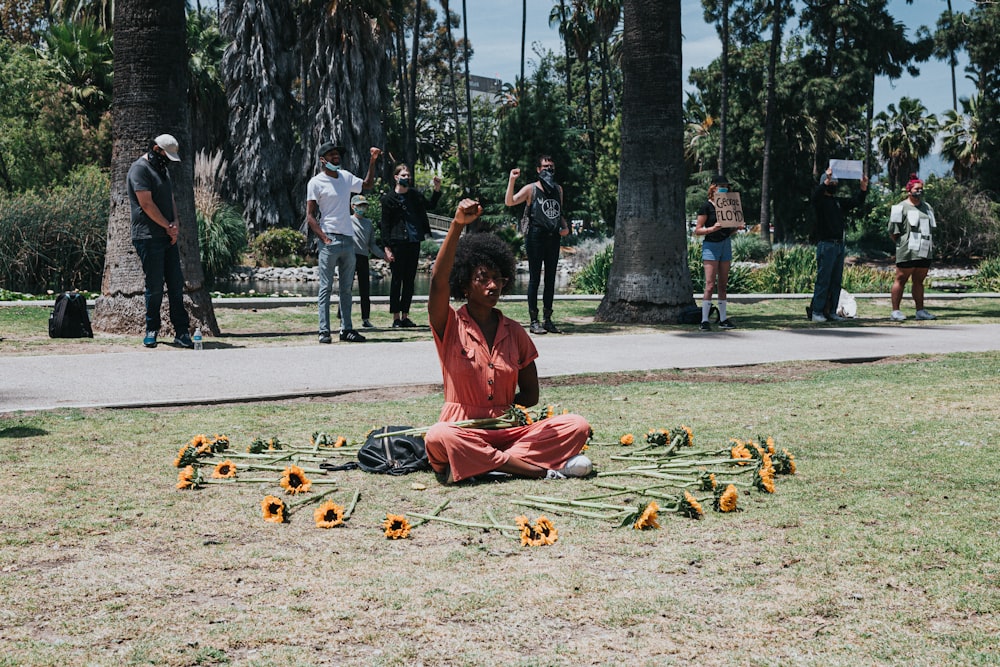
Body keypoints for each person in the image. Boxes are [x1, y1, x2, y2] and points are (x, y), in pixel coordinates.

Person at [423, 199, 593, 484]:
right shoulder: (449, 325)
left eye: (498, 279)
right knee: (439, 435)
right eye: (483, 279)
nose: (493, 286)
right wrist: (456, 226)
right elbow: (438, 281)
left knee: (577, 425)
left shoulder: (515, 332)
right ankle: (536, 469)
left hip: (509, 431)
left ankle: (488, 465)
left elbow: (531, 395)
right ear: (465, 284)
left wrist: (502, 411)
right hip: (462, 429)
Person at [306, 142, 381, 343]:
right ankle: (324, 331)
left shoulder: (346, 177)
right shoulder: (316, 182)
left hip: (348, 241)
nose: (336, 157)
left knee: (347, 289)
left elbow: (367, 185)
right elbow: (310, 216)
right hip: (329, 238)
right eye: (331, 155)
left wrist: (372, 161)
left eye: (337, 154)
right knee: (326, 288)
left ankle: (346, 329)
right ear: (323, 160)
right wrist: (324, 238)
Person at [127, 134, 193, 349]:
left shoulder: (162, 170)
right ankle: (151, 329)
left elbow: (170, 199)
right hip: (147, 237)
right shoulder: (139, 169)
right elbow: (146, 204)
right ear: (156, 150)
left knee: (175, 285)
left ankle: (182, 332)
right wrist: (167, 226)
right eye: (166, 155)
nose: (168, 161)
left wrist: (175, 224)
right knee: (154, 286)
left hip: (166, 235)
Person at [505, 155, 570, 334]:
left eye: (551, 167)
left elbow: (558, 212)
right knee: (534, 279)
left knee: (550, 279)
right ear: (538, 169)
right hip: (535, 237)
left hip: (553, 237)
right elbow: (509, 202)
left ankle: (548, 319)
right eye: (545, 166)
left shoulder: (558, 189)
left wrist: (565, 227)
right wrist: (512, 180)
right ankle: (534, 321)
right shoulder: (531, 189)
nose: (548, 170)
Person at [379, 165, 441, 328]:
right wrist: (387, 247)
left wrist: (436, 189)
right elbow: (384, 225)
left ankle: (405, 315)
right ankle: (396, 318)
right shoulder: (388, 199)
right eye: (404, 175)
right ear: (396, 177)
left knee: (409, 281)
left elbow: (431, 205)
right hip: (397, 242)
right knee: (396, 281)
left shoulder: (414, 195)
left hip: (414, 241)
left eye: (408, 175)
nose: (407, 177)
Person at [809, 166, 868, 323]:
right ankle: (817, 311)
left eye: (836, 182)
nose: (835, 185)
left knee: (836, 281)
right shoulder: (820, 202)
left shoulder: (837, 202)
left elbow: (856, 201)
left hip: (839, 245)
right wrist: (825, 181)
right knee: (823, 280)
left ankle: (832, 311)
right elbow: (814, 197)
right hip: (826, 244)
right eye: (832, 182)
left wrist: (863, 189)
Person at [693, 174, 744, 331]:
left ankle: (723, 319)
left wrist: (737, 228)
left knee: (723, 284)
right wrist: (712, 229)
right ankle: (704, 320)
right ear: (713, 187)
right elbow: (698, 230)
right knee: (709, 285)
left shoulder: (728, 206)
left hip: (725, 244)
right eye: (720, 185)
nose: (724, 188)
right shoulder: (706, 207)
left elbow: (728, 231)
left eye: (726, 186)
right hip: (711, 246)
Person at [888, 175, 937, 321]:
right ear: (909, 191)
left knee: (919, 281)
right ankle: (895, 311)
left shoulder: (927, 207)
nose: (919, 191)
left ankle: (920, 310)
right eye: (916, 189)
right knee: (901, 279)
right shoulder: (900, 208)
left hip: (924, 249)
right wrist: (902, 243)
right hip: (907, 250)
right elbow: (893, 231)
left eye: (921, 189)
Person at [347, 194, 385, 328]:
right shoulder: (347, 220)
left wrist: (383, 255)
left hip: (363, 257)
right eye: (359, 206)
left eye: (364, 206)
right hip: (349, 256)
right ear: (353, 207)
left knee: (365, 289)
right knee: (346, 288)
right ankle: (343, 318)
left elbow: (372, 244)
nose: (362, 208)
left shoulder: (368, 223)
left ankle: (366, 318)